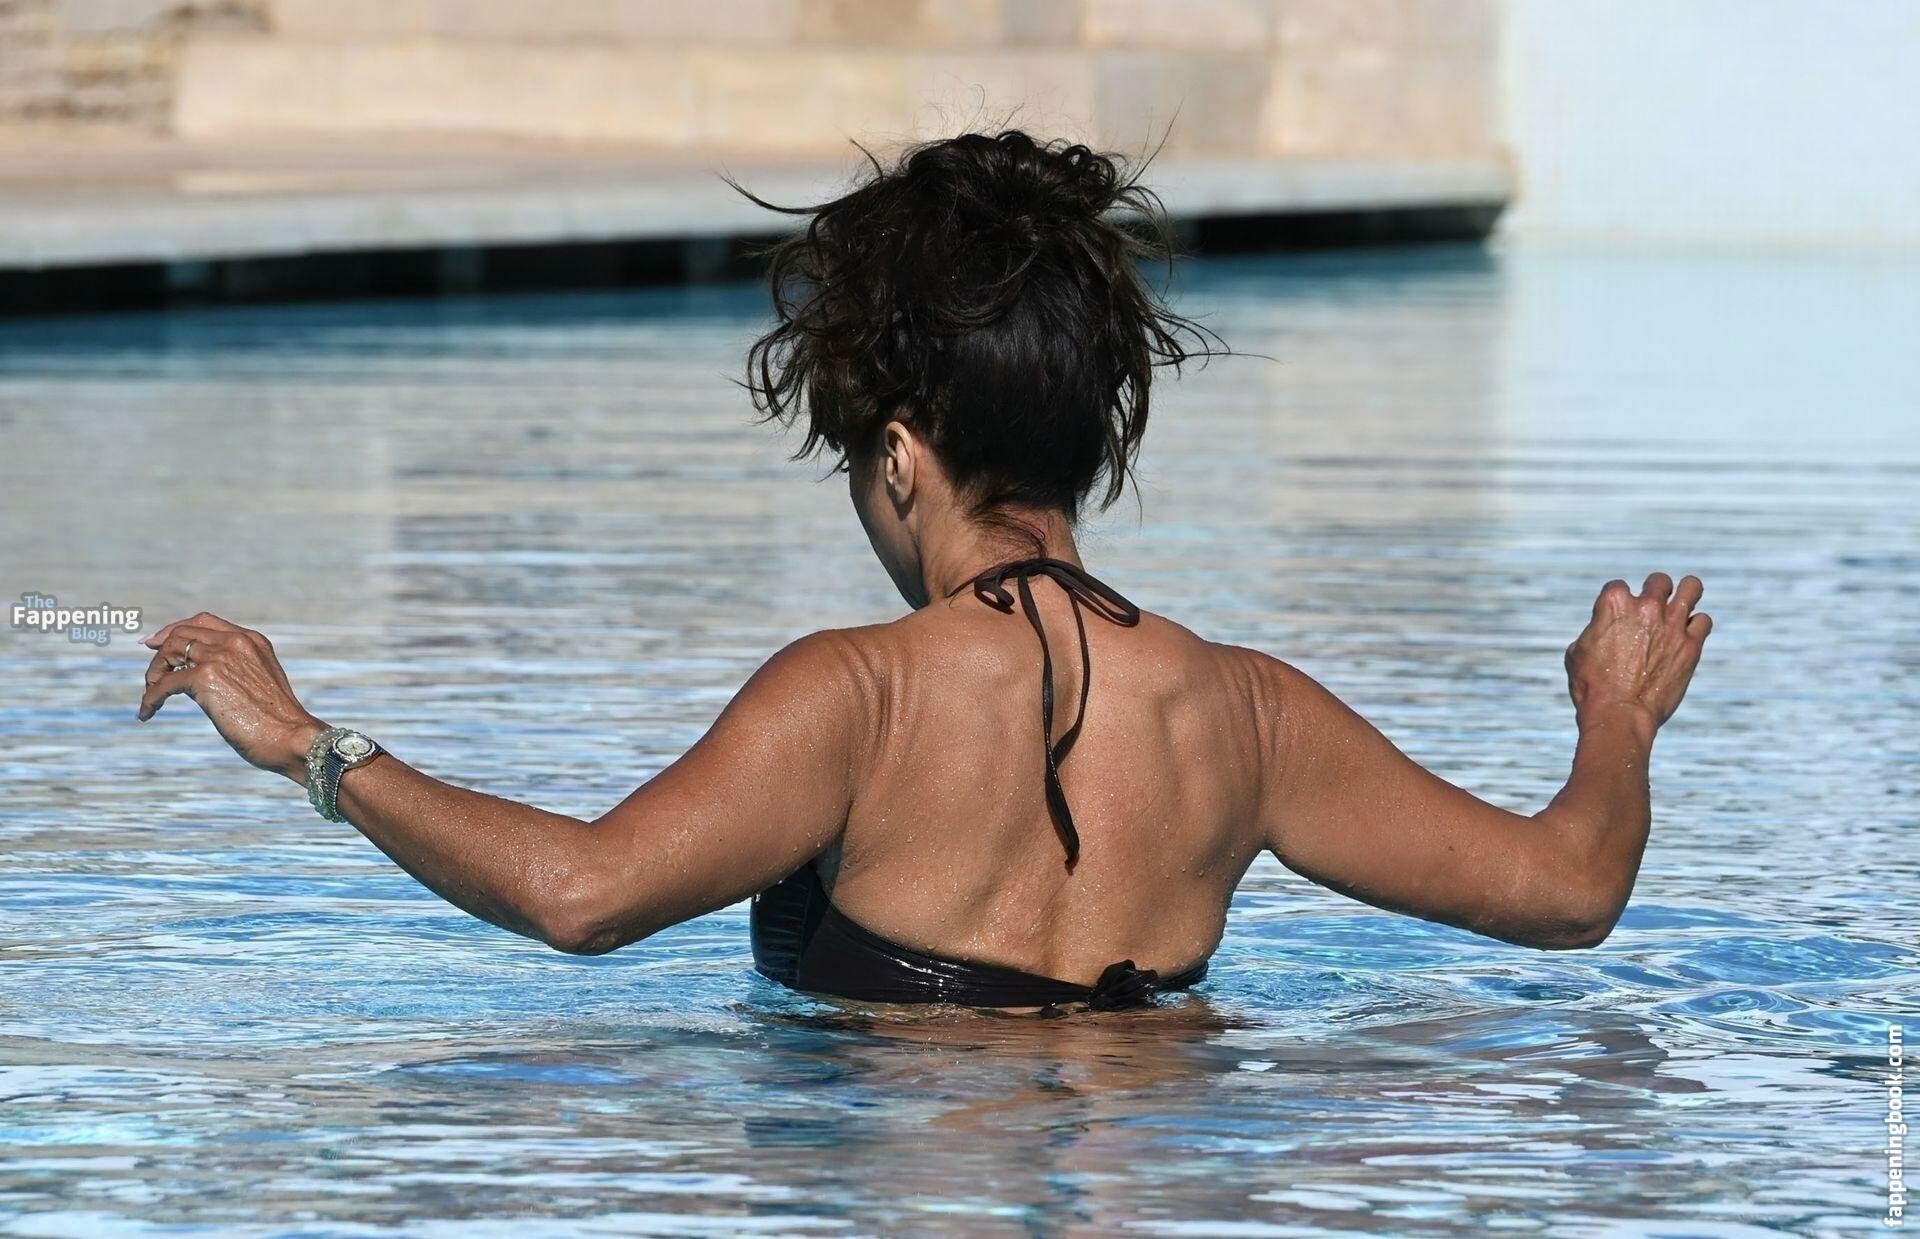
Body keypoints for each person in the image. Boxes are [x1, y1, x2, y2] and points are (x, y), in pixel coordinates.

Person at [133, 130, 1711, 1013]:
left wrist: (314, 748)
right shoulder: (1249, 715)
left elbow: (581, 898)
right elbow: (1567, 893)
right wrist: (1619, 714)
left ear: (896, 454)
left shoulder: (861, 698)